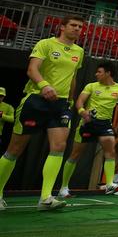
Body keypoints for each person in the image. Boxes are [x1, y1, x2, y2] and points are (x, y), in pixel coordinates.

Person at [0, 15, 84, 211]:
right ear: (62, 27)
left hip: (61, 105)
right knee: (14, 150)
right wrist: (44, 85)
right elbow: (32, 69)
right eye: (73, 25)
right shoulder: (45, 44)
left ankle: (46, 198)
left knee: (59, 146)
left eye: (80, 26)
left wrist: (70, 100)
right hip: (36, 100)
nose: (77, 29)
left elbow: (72, 77)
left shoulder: (79, 51)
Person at [58, 62, 118, 197]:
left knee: (110, 152)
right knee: (75, 155)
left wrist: (116, 123)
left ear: (108, 73)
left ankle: (110, 184)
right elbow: (79, 101)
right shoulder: (91, 86)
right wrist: (83, 112)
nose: (96, 74)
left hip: (105, 124)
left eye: (99, 72)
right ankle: (63, 188)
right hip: (87, 123)